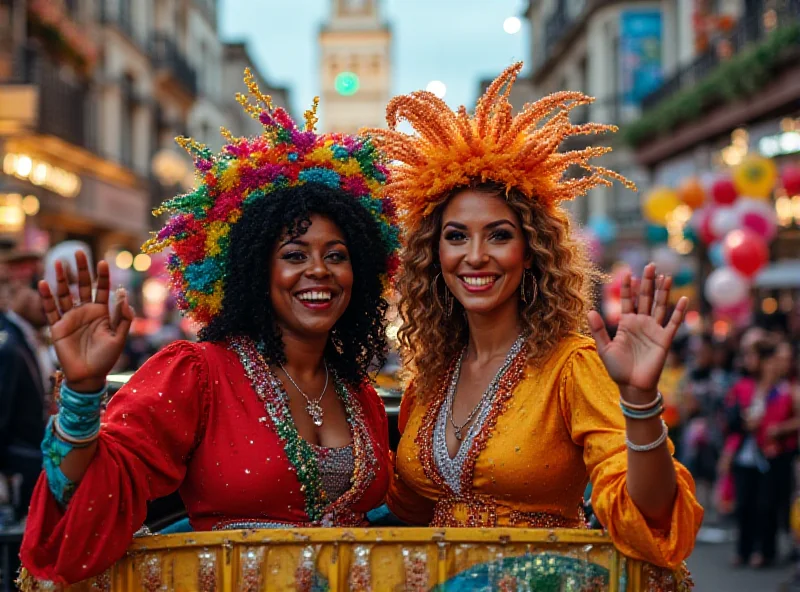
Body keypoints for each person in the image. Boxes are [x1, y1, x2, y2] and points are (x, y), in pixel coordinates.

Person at [18, 70, 400, 588]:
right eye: (293, 254)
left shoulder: (359, 394)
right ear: (251, 270)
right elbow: (86, 490)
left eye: (338, 255)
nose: (319, 271)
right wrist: (84, 394)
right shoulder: (198, 375)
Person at [368, 63, 702, 582]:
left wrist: (638, 400)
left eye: (498, 235)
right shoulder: (431, 377)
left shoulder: (571, 365)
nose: (475, 256)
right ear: (432, 255)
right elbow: (404, 508)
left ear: (532, 252)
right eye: (456, 237)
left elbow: (651, 516)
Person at [725, 337, 797, 568]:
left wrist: (780, 429)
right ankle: (743, 550)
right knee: (744, 503)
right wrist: (742, 424)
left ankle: (765, 550)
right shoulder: (743, 386)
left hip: (771, 454)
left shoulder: (785, 391)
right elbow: (730, 419)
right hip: (745, 453)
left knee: (766, 505)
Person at [0, 250, 49, 523]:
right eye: (39, 291)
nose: (48, 301)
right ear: (18, 290)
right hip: (18, 478)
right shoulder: (8, 345)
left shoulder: (24, 339)